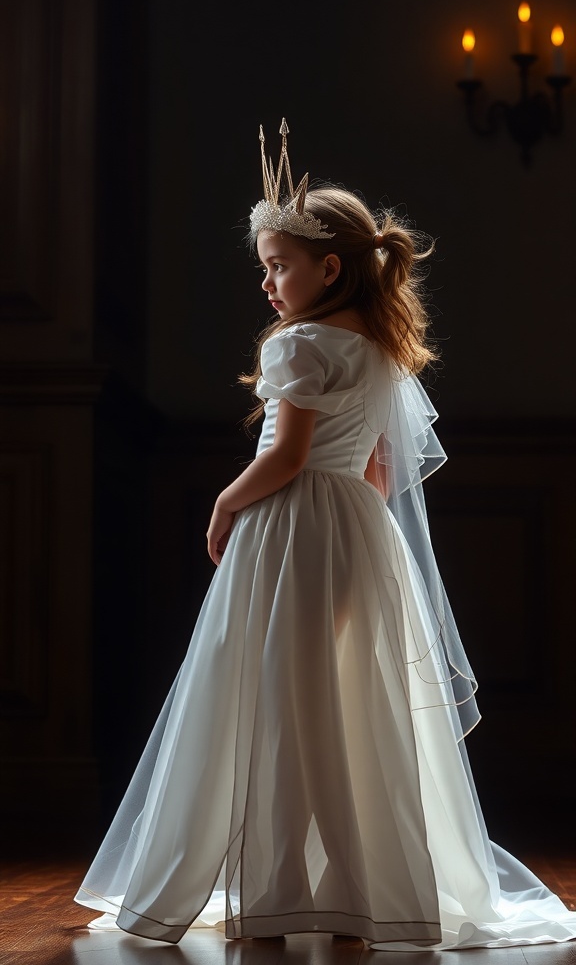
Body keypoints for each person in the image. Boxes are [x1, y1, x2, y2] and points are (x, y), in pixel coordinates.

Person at [74, 120, 576, 951]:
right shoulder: (378, 352)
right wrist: (361, 538)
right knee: (336, 704)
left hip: (297, 527)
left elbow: (289, 456)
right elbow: (377, 475)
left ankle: (279, 889)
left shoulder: (303, 343)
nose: (268, 283)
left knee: (280, 699)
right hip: (354, 531)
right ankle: (353, 887)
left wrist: (227, 503)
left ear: (328, 267)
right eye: (265, 267)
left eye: (279, 266)